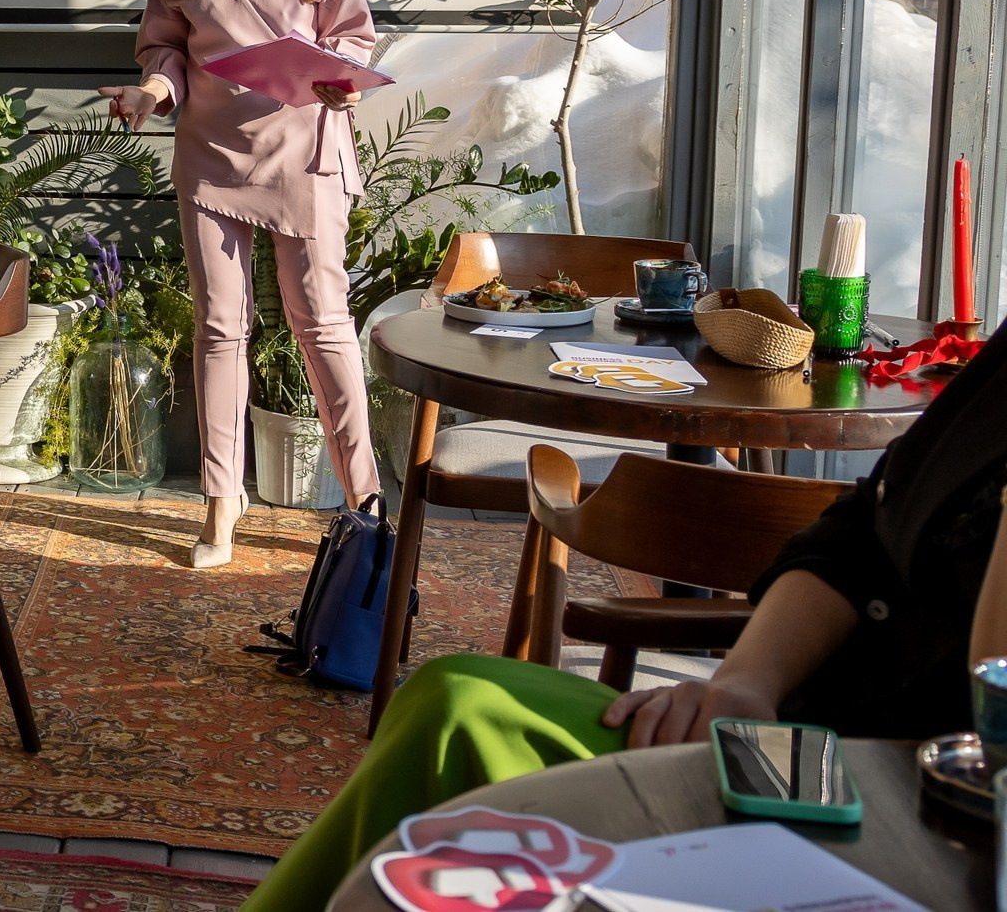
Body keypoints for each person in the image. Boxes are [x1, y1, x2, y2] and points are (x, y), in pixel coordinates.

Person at [244, 331, 1007, 912]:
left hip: (925, 822)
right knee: (455, 704)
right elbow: (860, 531)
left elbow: (991, 684)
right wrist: (744, 683)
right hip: (794, 742)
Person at [98, 0, 379, 567]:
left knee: (322, 324)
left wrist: (338, 77)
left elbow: (354, 37)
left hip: (303, 149)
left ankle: (367, 500)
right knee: (220, 328)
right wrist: (153, 89)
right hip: (210, 155)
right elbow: (164, 49)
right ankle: (223, 502)